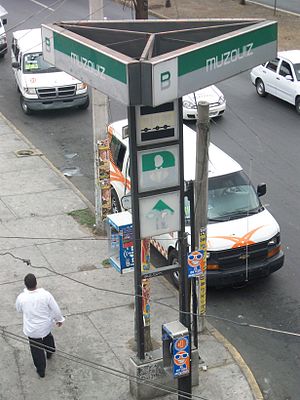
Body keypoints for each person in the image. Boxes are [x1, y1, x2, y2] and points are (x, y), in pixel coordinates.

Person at [16, 273, 65, 378]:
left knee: (36, 351)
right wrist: (59, 319)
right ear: (36, 283)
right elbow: (55, 309)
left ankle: (41, 370)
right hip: (45, 327)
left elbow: (19, 309)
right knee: (48, 338)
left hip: (32, 330)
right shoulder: (45, 295)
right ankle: (50, 352)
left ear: (25, 285)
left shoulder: (21, 298)